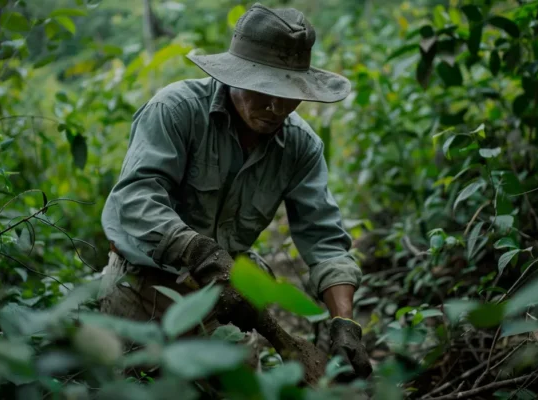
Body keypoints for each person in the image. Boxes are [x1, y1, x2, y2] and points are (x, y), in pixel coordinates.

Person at [98, 2, 372, 380]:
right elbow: (137, 197)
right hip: (142, 289)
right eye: (264, 90)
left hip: (224, 304)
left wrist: (345, 324)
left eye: (290, 92)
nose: (277, 106)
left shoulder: (301, 146)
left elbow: (324, 238)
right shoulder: (175, 110)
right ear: (234, 77)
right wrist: (198, 251)